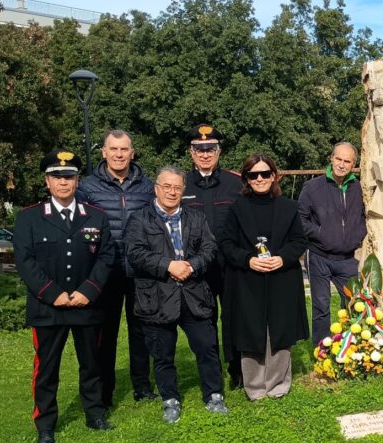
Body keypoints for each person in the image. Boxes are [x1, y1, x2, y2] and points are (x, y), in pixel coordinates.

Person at [14, 149, 115, 443]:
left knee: (92, 364)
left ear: (77, 181)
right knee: (46, 369)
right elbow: (25, 261)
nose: (63, 183)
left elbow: (106, 256)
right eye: (57, 177)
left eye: (69, 177)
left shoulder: (95, 216)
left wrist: (89, 291)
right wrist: (52, 293)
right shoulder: (30, 218)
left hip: (86, 305)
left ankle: (95, 414)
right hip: (48, 307)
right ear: (47, 181)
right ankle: (45, 424)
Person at [125, 166, 228, 424]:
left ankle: (214, 394)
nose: (172, 192)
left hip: (194, 294)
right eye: (167, 187)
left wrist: (191, 266)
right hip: (157, 297)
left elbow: (209, 247)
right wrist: (168, 265)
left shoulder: (196, 218)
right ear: (156, 189)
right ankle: (169, 399)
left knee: (207, 348)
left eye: (177, 187)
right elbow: (135, 253)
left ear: (184, 190)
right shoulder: (140, 219)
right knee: (163, 354)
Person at [222, 154, 310, 400]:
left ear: (274, 176)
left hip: (281, 277)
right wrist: (248, 260)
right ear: (246, 179)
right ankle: (255, 387)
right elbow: (226, 244)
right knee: (250, 330)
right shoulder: (236, 209)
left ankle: (278, 383)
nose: (259, 179)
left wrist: (282, 258)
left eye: (264, 174)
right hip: (248, 280)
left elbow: (299, 240)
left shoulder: (289, 207)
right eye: (253, 175)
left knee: (279, 330)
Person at [78, 129, 155, 405]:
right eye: (114, 149)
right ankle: (105, 389)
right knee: (105, 333)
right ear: (104, 152)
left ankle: (142, 386)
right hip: (105, 272)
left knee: (141, 332)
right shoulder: (87, 188)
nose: (119, 155)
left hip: (139, 270)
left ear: (132, 153)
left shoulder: (147, 187)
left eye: (124, 150)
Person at [181, 123, 244, 387]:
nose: (205, 154)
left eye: (210, 149)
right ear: (191, 152)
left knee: (232, 317)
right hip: (198, 267)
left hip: (229, 264)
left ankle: (236, 368)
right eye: (199, 149)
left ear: (219, 151)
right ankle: (211, 371)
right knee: (203, 321)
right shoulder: (181, 184)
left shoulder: (235, 182)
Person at [298, 142, 367, 345]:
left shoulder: (359, 189)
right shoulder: (313, 187)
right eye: (338, 159)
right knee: (321, 305)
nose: (342, 164)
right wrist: (321, 234)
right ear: (331, 158)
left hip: (347, 258)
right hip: (318, 255)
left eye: (347, 161)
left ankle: (355, 348)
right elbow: (300, 219)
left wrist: (358, 234)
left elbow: (366, 217)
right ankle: (322, 350)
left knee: (356, 304)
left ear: (354, 165)